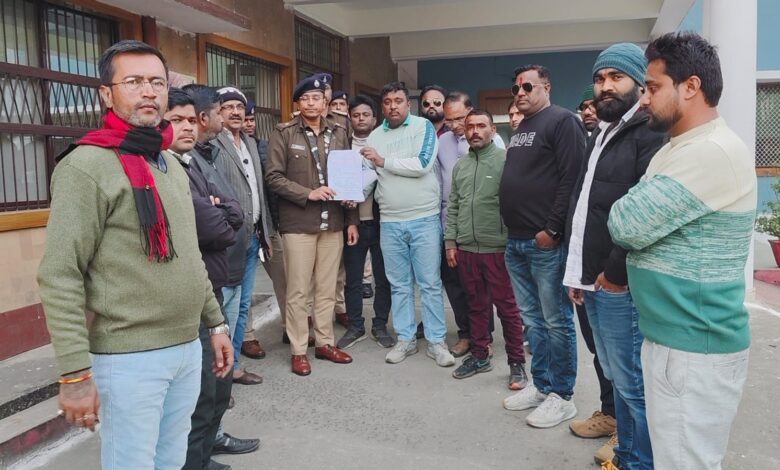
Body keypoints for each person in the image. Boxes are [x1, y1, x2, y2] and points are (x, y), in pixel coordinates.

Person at [37, 40, 232, 469]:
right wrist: (73, 372)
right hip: (129, 357)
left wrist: (215, 323)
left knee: (172, 459)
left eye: (157, 82)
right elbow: (60, 274)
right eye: (134, 82)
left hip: (186, 347)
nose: (148, 92)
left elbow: (190, 257)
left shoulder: (168, 162)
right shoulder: (85, 166)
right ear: (107, 94)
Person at [609, 32, 756, 470]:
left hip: (694, 348)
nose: (643, 100)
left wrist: (636, 211)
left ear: (690, 86)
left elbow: (625, 222)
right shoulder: (679, 148)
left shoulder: (710, 152)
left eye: (653, 87)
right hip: (676, 339)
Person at [565, 43, 666, 470]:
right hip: (593, 278)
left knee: (632, 382)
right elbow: (585, 205)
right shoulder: (602, 131)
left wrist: (613, 273)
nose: (605, 86)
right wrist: (578, 273)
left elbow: (645, 213)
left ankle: (639, 461)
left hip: (618, 283)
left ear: (640, 82)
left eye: (616, 77)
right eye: (599, 78)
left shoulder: (650, 131)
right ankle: (625, 454)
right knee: (613, 373)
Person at [500, 64, 585, 429]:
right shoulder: (522, 127)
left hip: (544, 243)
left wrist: (552, 229)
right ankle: (542, 385)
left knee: (556, 321)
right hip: (516, 240)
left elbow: (572, 178)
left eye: (528, 86)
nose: (520, 92)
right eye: (516, 87)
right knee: (533, 320)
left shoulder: (562, 122)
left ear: (546, 87)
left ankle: (562, 396)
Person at [181, 84, 261, 465]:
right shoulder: (185, 163)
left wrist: (223, 210)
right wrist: (223, 211)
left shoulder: (207, 155)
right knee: (208, 378)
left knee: (220, 373)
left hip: (231, 265)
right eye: (219, 110)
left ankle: (211, 440)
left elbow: (232, 208)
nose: (225, 117)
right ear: (206, 117)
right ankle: (198, 453)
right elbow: (214, 223)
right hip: (210, 278)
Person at [265, 74, 359, 376]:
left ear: (325, 102)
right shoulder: (284, 133)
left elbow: (349, 176)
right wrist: (308, 193)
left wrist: (351, 219)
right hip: (299, 223)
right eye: (304, 99)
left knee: (327, 288)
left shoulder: (340, 131)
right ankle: (298, 349)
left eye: (316, 98)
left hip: (333, 221)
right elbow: (273, 177)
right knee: (298, 291)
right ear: (297, 104)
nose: (311, 103)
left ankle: (325, 343)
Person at [362, 81, 454, 368]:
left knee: (429, 284)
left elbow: (422, 164)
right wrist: (351, 192)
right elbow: (369, 176)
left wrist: (383, 160)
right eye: (387, 102)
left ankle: (437, 342)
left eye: (398, 101)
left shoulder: (423, 127)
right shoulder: (375, 135)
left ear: (408, 104)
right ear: (383, 106)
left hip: (423, 218)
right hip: (390, 221)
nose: (393, 106)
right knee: (399, 285)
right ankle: (406, 339)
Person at [444, 109, 528, 390]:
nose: (475, 131)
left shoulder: (506, 161)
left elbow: (518, 203)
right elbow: (454, 205)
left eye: (481, 126)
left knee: (508, 308)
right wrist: (451, 242)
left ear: (493, 130)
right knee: (476, 306)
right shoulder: (461, 166)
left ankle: (516, 362)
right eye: (470, 126)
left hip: (498, 248)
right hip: (467, 249)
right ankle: (480, 355)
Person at [213, 87, 274, 385]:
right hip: (227, 240)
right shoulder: (212, 143)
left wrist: (266, 233)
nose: (236, 112)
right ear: (217, 112)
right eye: (229, 107)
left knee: (242, 306)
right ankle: (219, 375)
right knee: (224, 308)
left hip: (252, 238)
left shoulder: (250, 142)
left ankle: (234, 367)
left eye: (240, 107)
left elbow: (259, 191)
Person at [438, 91, 505, 357]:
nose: (455, 125)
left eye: (459, 118)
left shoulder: (491, 141)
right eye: (449, 120)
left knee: (482, 289)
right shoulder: (442, 142)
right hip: (450, 221)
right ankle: (465, 333)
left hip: (484, 230)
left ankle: (483, 337)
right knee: (454, 284)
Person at [337, 94, 396, 350]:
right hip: (353, 223)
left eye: (366, 115)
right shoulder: (341, 145)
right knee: (352, 279)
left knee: (383, 279)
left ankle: (380, 325)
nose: (361, 119)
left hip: (383, 221)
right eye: (356, 115)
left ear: (375, 118)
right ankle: (356, 326)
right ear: (350, 119)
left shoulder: (384, 143)